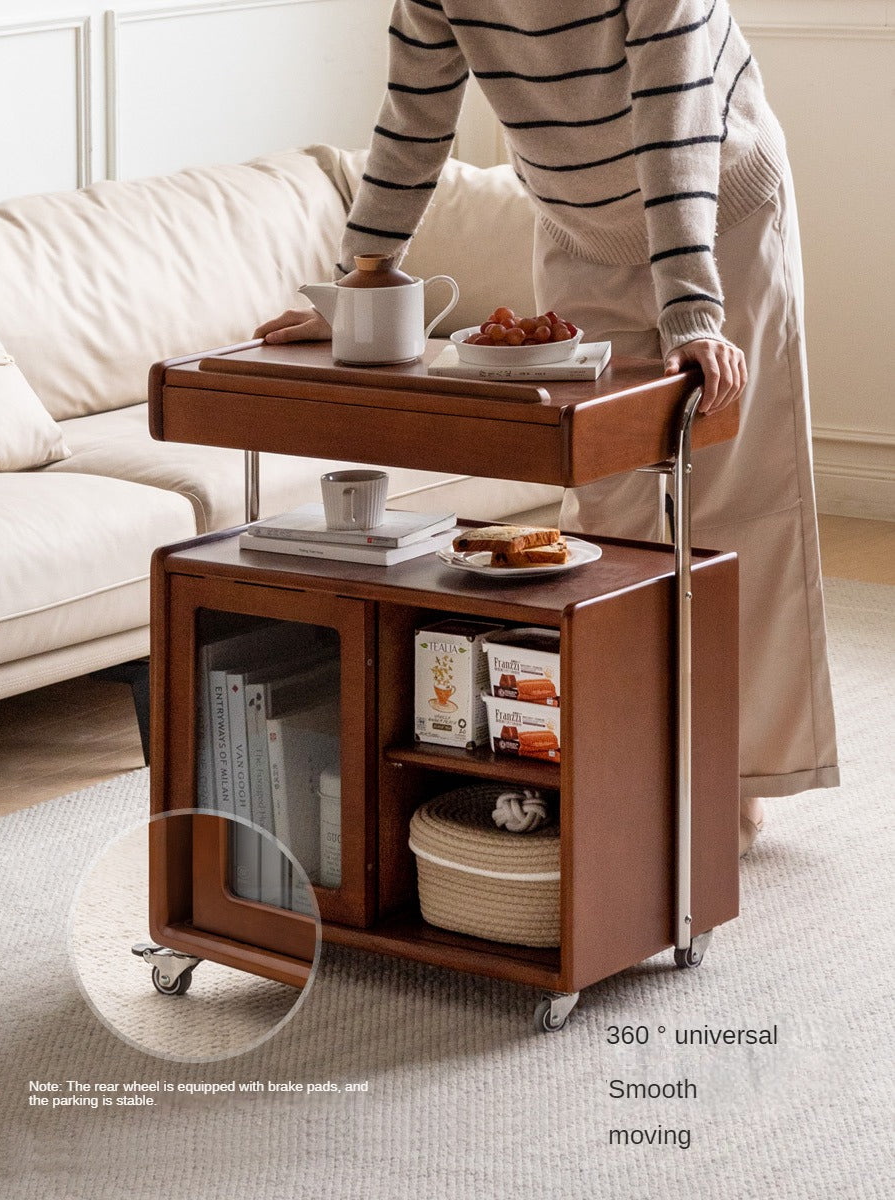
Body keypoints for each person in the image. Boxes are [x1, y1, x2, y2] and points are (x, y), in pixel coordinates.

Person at [255, 0, 839, 853]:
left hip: (723, 213)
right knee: (606, 520)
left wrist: (692, 316)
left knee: (734, 504)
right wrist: (359, 290)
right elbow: (416, 114)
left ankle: (735, 773)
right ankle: (627, 759)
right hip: (580, 227)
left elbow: (675, 114)